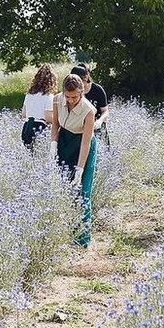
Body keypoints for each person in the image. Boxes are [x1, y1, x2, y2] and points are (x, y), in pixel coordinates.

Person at [52, 73, 98, 246]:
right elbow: (56, 124)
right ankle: (67, 232)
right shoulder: (57, 100)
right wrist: (52, 145)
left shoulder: (88, 111)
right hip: (64, 141)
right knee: (64, 189)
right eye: (68, 96)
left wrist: (79, 169)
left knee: (82, 191)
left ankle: (82, 239)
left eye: (75, 97)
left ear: (81, 93)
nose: (70, 100)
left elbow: (86, 143)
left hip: (82, 146)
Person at [71, 64, 110, 146]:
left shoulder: (97, 90)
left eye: (83, 81)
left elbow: (105, 111)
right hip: (79, 129)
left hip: (97, 128)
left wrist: (99, 121)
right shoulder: (72, 91)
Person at [22, 65, 57, 150]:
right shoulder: (49, 96)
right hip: (39, 127)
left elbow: (24, 114)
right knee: (39, 155)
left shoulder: (29, 94)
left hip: (26, 127)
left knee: (29, 154)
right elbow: (48, 118)